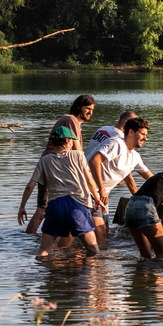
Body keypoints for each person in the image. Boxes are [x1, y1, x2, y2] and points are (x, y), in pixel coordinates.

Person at [18, 126, 102, 257]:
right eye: (72, 141)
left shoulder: (44, 160)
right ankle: (87, 276)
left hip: (55, 206)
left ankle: (46, 276)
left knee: (44, 251)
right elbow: (90, 181)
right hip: (77, 205)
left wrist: (22, 207)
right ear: (68, 141)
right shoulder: (78, 155)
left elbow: (30, 186)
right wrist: (97, 199)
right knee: (93, 250)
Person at [26, 94, 96, 235]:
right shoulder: (71, 120)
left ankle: (54, 241)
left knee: (49, 208)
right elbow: (78, 152)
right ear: (78, 107)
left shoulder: (72, 122)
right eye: (87, 108)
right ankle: (28, 239)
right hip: (52, 167)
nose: (90, 112)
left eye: (92, 109)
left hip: (56, 167)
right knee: (42, 209)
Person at [88, 116, 153, 245]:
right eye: (142, 134)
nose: (145, 138)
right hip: (85, 190)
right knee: (99, 234)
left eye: (146, 135)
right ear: (131, 132)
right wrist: (102, 190)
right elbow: (94, 160)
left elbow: (153, 179)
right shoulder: (116, 143)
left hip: (96, 195)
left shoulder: (135, 157)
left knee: (99, 234)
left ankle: (89, 260)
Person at [124, 151, 163, 260]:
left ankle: (141, 276)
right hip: (145, 206)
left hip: (130, 206)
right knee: (161, 254)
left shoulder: (160, 178)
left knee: (145, 256)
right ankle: (157, 277)